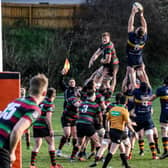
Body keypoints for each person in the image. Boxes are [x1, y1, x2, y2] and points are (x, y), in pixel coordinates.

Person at [0, 74, 50, 168]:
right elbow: (17, 130)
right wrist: (12, 153)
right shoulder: (34, 109)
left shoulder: (17, 101)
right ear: (44, 93)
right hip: (2, 146)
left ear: (30, 89)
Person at [102, 94, 137, 168]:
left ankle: (126, 166)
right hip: (119, 132)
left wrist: (107, 131)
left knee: (123, 148)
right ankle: (104, 167)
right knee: (112, 151)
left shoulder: (112, 109)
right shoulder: (124, 111)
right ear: (126, 102)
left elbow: (107, 120)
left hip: (113, 131)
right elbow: (127, 124)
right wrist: (134, 132)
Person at [30, 88, 62, 168]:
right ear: (54, 95)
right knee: (51, 143)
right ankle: (54, 165)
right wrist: (51, 129)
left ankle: (32, 165)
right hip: (44, 126)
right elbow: (48, 118)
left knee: (37, 145)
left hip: (36, 125)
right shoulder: (49, 103)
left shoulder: (40, 101)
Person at [70, 90, 102, 161]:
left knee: (79, 142)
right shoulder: (96, 105)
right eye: (94, 96)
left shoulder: (81, 103)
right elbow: (100, 117)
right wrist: (100, 123)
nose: (95, 97)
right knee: (97, 141)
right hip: (88, 124)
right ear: (93, 96)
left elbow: (78, 112)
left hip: (79, 123)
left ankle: (72, 157)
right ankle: (100, 157)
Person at [131, 82, 159, 160]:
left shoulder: (137, 92)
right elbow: (148, 84)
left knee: (133, 136)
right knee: (150, 137)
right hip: (147, 118)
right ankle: (154, 155)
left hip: (138, 118)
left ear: (140, 87)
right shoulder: (149, 93)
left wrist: (131, 73)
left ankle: (128, 155)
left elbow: (133, 84)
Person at [126, 4, 150, 89]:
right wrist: (142, 15)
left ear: (136, 32)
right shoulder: (144, 38)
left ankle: (134, 89)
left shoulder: (132, 38)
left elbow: (130, 24)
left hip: (131, 60)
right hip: (139, 60)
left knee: (131, 75)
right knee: (142, 74)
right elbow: (145, 25)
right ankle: (149, 88)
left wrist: (133, 14)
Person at [56, 88, 81, 157]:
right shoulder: (72, 98)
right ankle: (59, 150)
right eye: (78, 91)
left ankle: (74, 152)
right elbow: (77, 105)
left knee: (75, 136)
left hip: (75, 119)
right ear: (75, 92)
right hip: (66, 118)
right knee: (67, 134)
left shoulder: (81, 100)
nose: (80, 92)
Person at [150, 76, 168, 159]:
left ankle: (166, 151)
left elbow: (152, 99)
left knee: (164, 130)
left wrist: (144, 99)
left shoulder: (161, 89)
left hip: (165, 112)